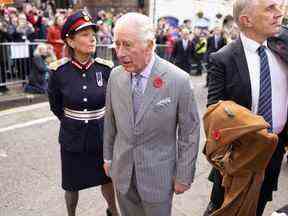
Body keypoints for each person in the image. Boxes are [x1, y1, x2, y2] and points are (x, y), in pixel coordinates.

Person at [103, 12, 200, 216]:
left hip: (159, 179)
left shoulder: (178, 80)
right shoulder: (115, 76)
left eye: (127, 45)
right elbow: (110, 123)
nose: (120, 53)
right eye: (117, 44)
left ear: (149, 44)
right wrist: (108, 158)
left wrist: (184, 175)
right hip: (122, 174)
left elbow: (189, 132)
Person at [204, 0, 288, 216]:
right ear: (246, 20)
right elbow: (214, 113)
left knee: (257, 207)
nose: (279, 14)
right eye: (270, 8)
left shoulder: (283, 50)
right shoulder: (223, 58)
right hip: (237, 159)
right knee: (225, 209)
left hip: (273, 154)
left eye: (279, 7)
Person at [47, 10, 118, 216]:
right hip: (72, 137)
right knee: (71, 185)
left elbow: (112, 103)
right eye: (85, 34)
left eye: (92, 33)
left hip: (101, 135)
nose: (92, 38)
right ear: (70, 41)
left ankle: (113, 210)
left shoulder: (105, 69)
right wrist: (73, 121)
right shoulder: (59, 72)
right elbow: (56, 105)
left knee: (107, 179)